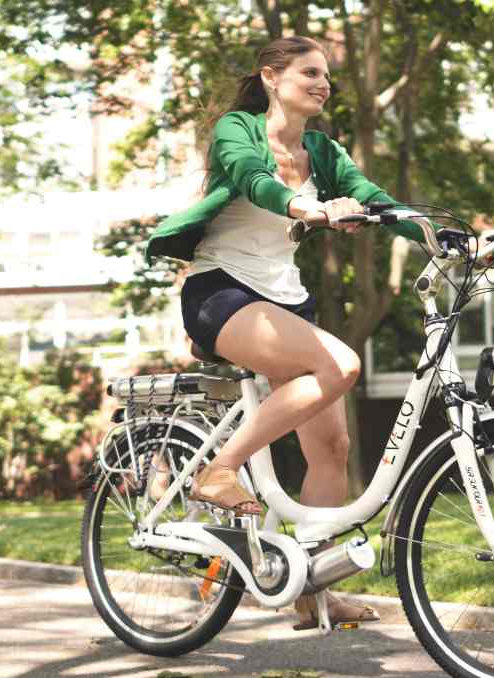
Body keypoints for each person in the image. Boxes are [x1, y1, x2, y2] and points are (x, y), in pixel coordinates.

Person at [146, 36, 432, 630]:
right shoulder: (237, 130)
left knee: (331, 449)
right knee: (342, 366)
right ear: (272, 77)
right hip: (221, 292)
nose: (323, 83)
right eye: (309, 72)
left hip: (284, 302)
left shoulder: (322, 150)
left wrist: (442, 234)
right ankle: (219, 471)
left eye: (327, 76)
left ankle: (311, 592)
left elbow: (371, 197)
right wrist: (306, 209)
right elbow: (253, 180)